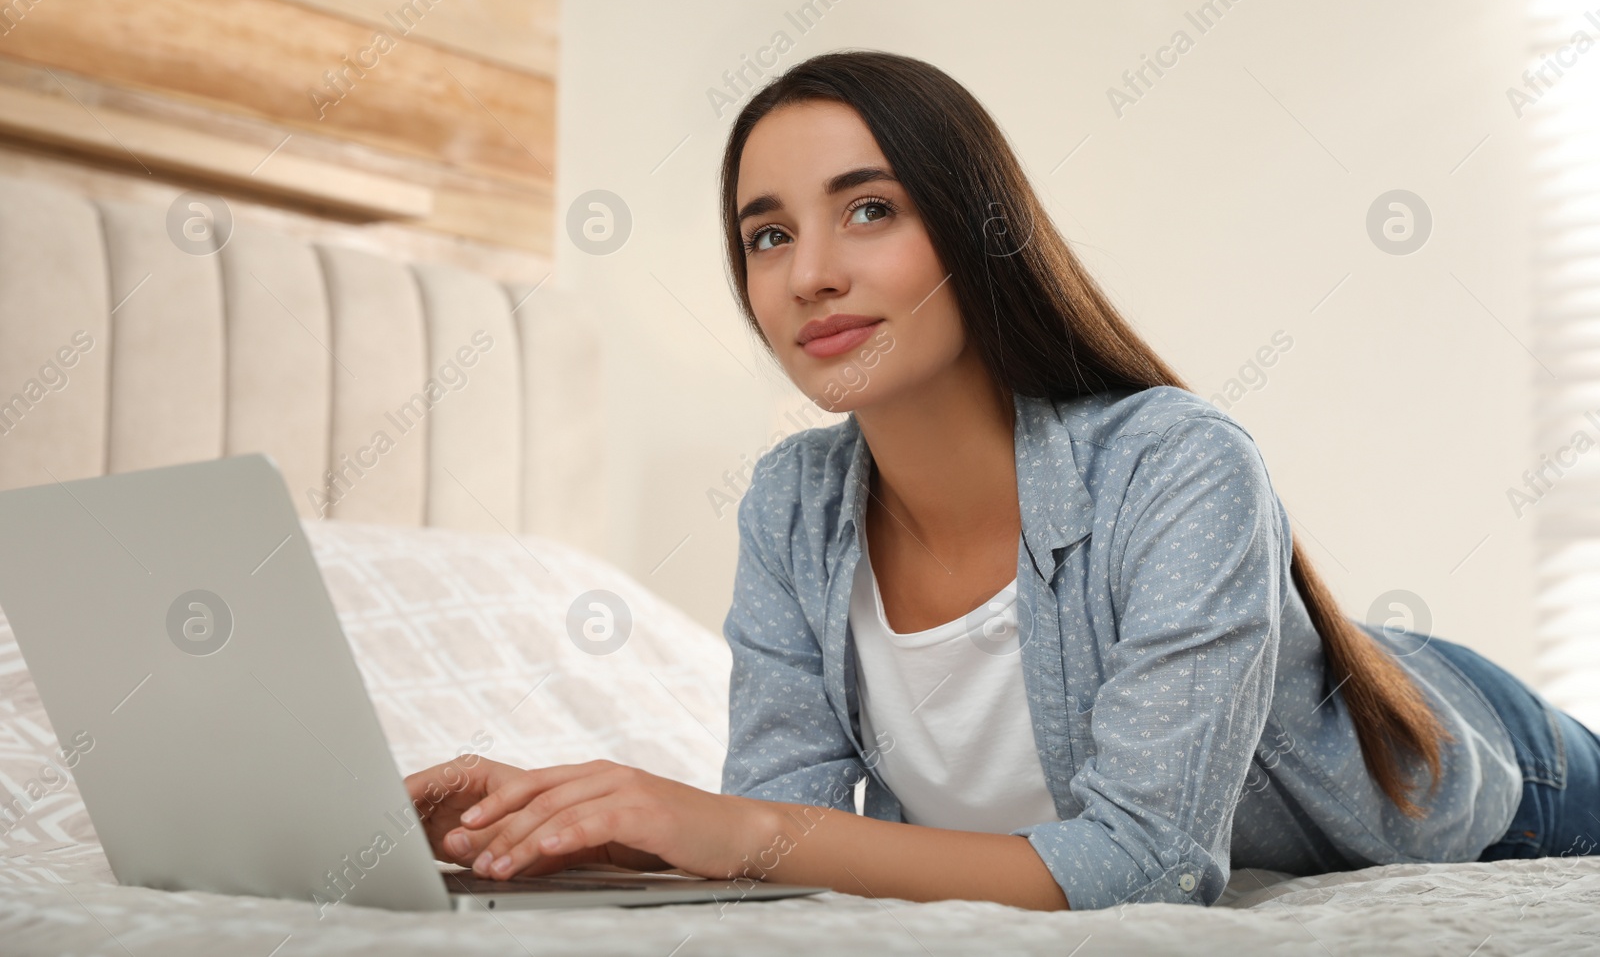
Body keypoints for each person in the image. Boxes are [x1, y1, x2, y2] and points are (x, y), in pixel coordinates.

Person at [403, 50, 1600, 911]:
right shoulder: (793, 504)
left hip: (1502, 770)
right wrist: (567, 824)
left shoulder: (1177, 461)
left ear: (975, 235)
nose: (810, 272)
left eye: (867, 209)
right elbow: (782, 826)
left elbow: (1147, 863)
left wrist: (727, 828)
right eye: (766, 234)